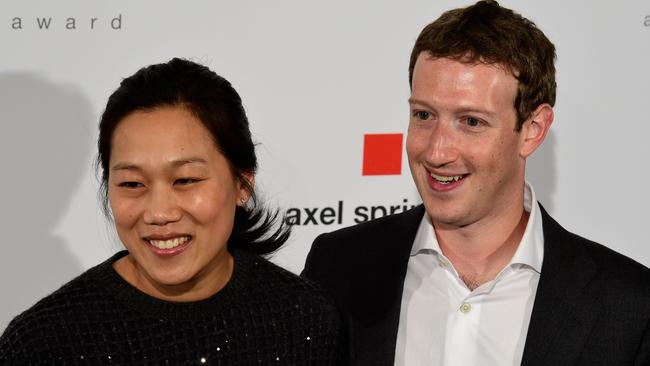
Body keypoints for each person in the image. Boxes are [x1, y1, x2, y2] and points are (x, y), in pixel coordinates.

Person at [302, 1, 650, 365]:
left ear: (532, 130)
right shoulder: (339, 269)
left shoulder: (628, 308)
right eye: (424, 115)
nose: (437, 151)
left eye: (471, 122)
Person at [1, 58, 341, 365]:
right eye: (133, 184)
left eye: (185, 180)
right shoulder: (43, 343)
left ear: (242, 184)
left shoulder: (302, 317)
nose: (159, 213)